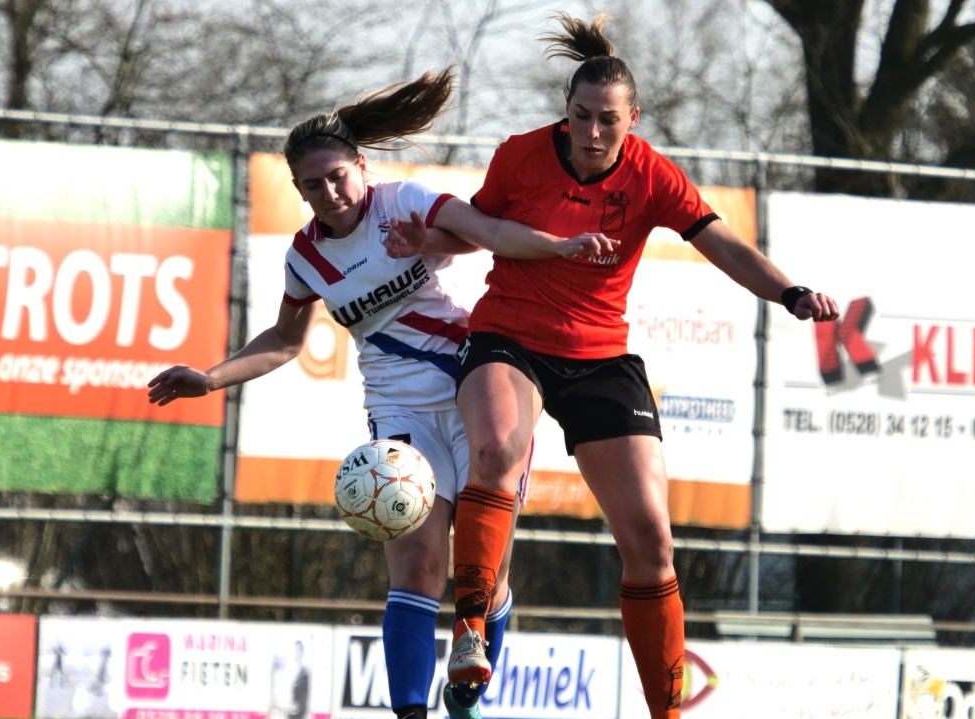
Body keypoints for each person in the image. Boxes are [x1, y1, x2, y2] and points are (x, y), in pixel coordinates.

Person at [389, 13, 840, 719]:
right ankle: (470, 633)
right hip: (510, 334)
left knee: (653, 540)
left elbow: (723, 244)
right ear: (563, 113)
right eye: (579, 117)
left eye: (607, 120)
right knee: (497, 449)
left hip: (600, 354)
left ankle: (668, 711)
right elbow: (483, 227)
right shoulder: (521, 155)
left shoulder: (653, 174)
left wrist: (788, 291)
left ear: (634, 117)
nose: (592, 133)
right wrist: (431, 237)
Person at [146, 68, 616, 719]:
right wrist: (210, 376)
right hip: (397, 409)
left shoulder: (405, 202)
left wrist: (561, 247)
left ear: (362, 166)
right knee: (419, 562)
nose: (330, 192)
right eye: (313, 184)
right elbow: (285, 340)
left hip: (478, 386)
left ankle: (467, 693)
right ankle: (410, 713)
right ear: (299, 189)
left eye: (338, 176)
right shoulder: (306, 257)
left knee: (487, 574)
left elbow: (494, 232)